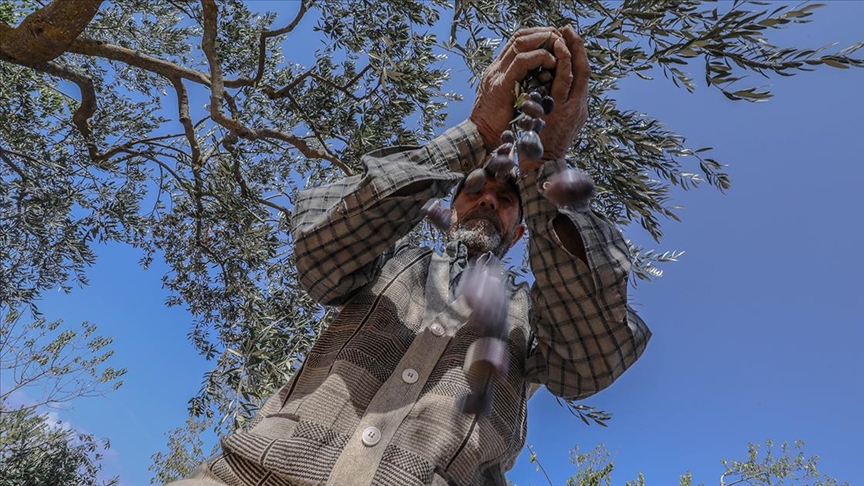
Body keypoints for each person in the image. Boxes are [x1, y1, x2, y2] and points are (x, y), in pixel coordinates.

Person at [172, 25, 651, 486]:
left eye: (508, 199)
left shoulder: (534, 316)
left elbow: (592, 359)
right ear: (451, 203)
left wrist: (543, 166)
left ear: (522, 232)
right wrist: (478, 131)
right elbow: (319, 246)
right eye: (477, 188)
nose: (489, 200)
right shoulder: (389, 259)